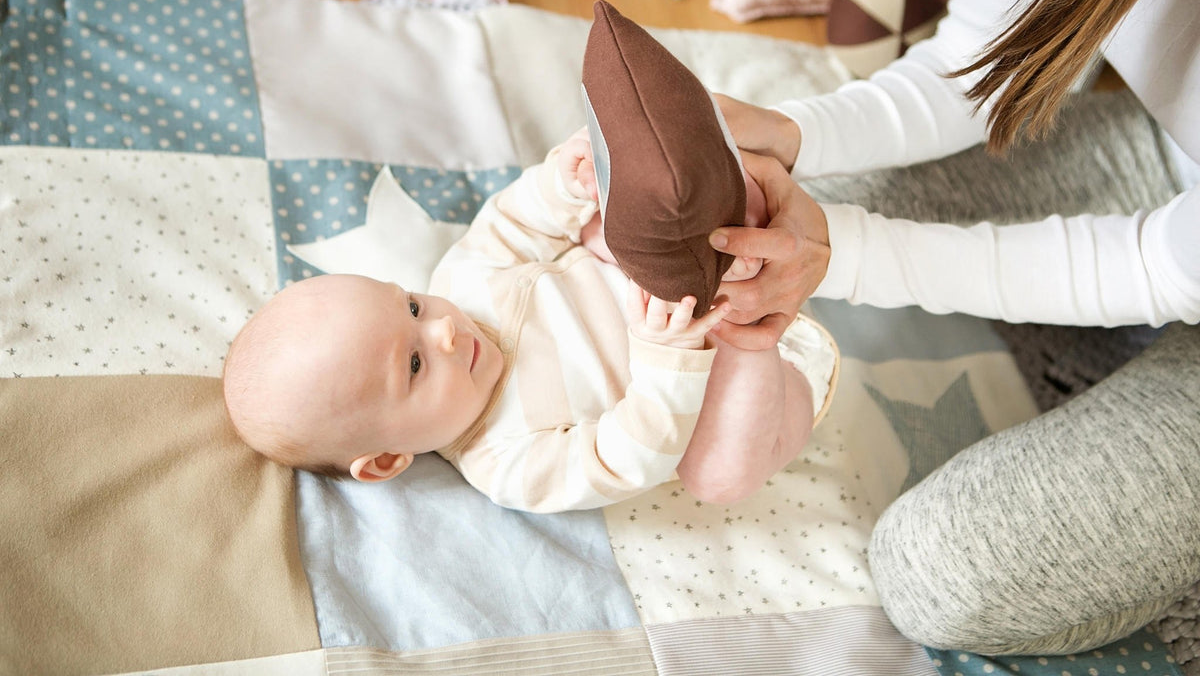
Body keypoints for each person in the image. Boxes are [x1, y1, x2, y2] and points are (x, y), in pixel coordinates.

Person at [702, 0, 1200, 657]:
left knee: (940, 573)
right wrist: (791, 131)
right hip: (1173, 175)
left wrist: (846, 252)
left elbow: (1150, 267)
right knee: (794, 201)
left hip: (1173, 259)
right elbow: (978, 56)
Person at [222, 129, 839, 514]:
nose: (441, 330)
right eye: (413, 365)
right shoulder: (507, 464)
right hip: (724, 379)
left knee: (599, 224)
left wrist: (562, 188)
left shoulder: (461, 285)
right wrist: (668, 355)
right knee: (717, 475)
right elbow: (622, 457)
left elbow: (514, 224)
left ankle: (738, 218)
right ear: (386, 460)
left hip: (680, 276)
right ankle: (755, 337)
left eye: (410, 305)